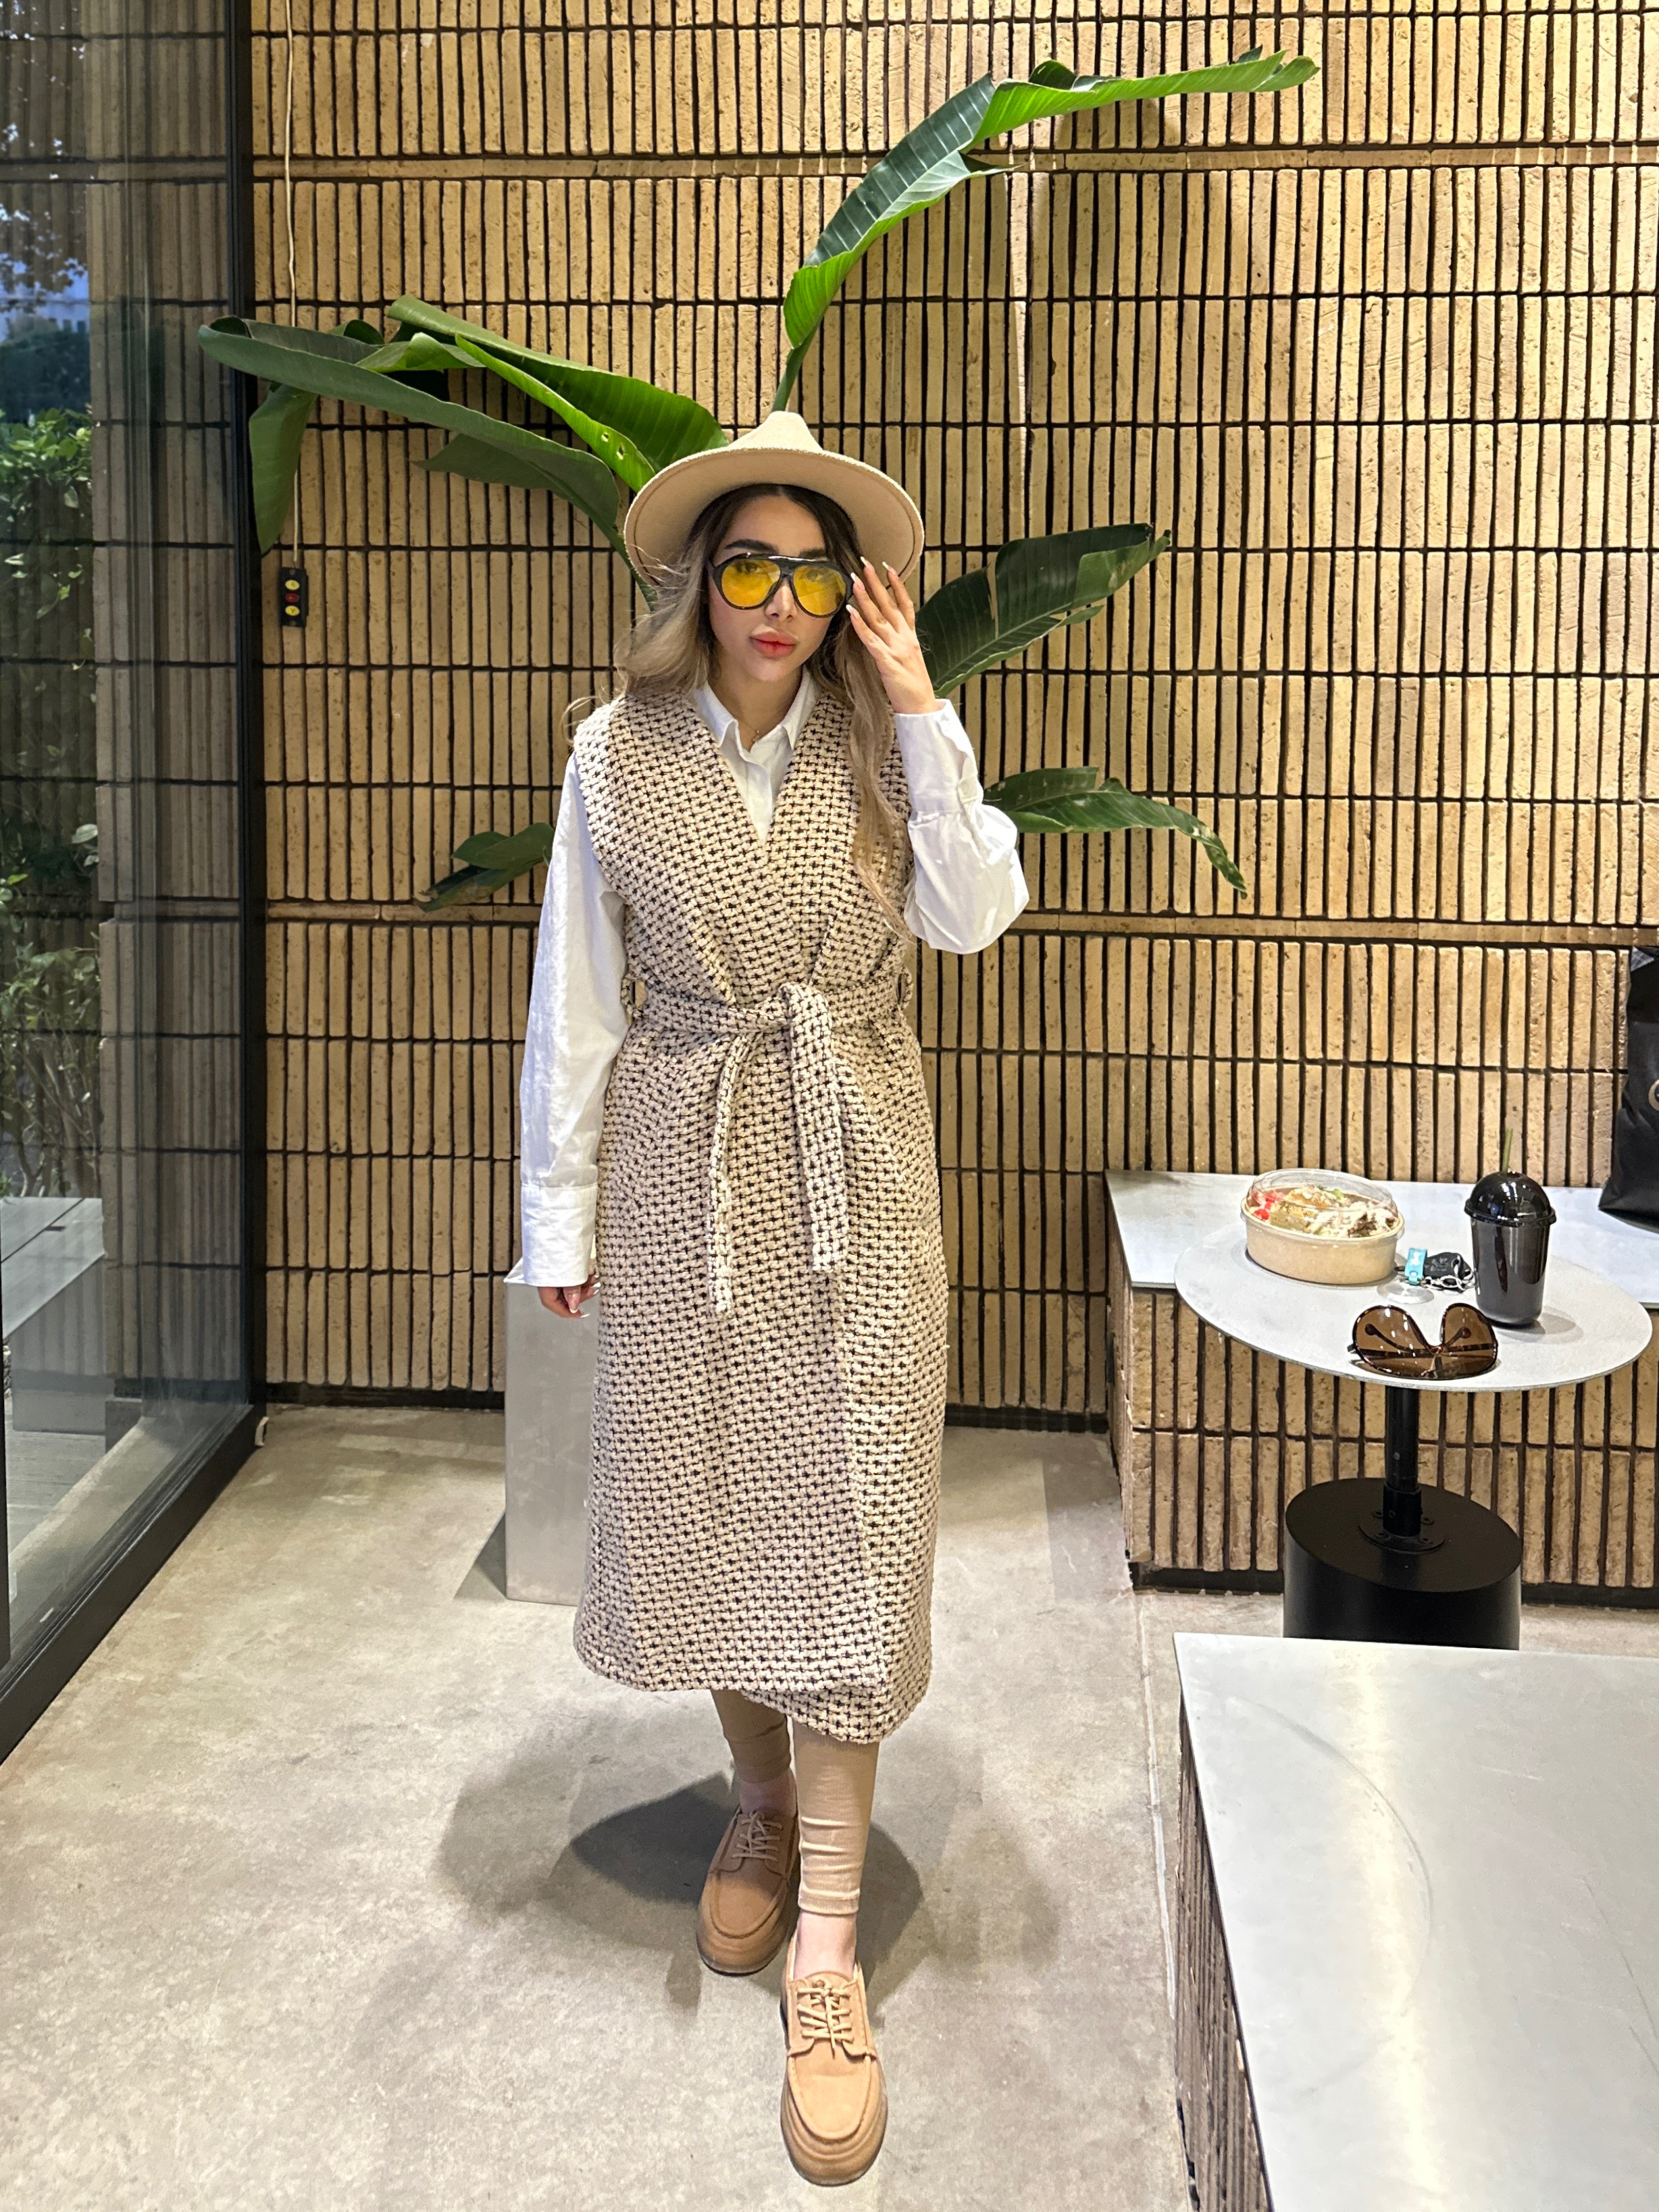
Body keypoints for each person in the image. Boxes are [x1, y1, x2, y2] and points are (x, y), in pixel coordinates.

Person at [518, 410, 1027, 2184]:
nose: (780, 602)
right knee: (710, 1504)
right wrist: (559, 1217)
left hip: (857, 1164)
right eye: (750, 564)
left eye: (815, 574)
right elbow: (577, 996)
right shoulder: (613, 754)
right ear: (699, 579)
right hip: (684, 1162)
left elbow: (975, 915)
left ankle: (825, 1944)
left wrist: (922, 703)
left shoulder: (890, 744)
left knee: (855, 1522)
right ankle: (755, 1799)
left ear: (848, 594)